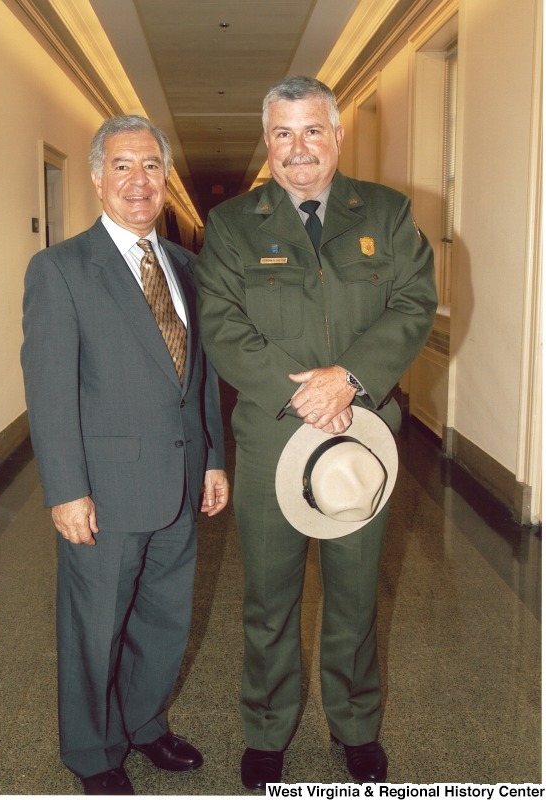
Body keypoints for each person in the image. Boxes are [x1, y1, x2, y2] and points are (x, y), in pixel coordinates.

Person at [194, 75, 437, 787]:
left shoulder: (388, 215)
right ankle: (267, 729)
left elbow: (414, 302)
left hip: (364, 438)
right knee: (268, 600)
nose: (298, 148)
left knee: (356, 595)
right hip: (274, 440)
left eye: (311, 131)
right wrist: (303, 396)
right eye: (282, 133)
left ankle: (356, 725)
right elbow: (221, 324)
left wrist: (349, 380)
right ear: (266, 142)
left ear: (337, 136)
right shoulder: (234, 225)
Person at [21, 115, 229, 796]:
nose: (138, 181)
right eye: (122, 166)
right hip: (102, 490)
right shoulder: (60, 269)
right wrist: (64, 489)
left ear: (165, 180)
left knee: (164, 618)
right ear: (96, 177)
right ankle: (91, 751)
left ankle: (145, 725)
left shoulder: (187, 267)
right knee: (95, 627)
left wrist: (213, 458)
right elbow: (50, 391)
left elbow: (197, 376)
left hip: (178, 479)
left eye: (150, 167)